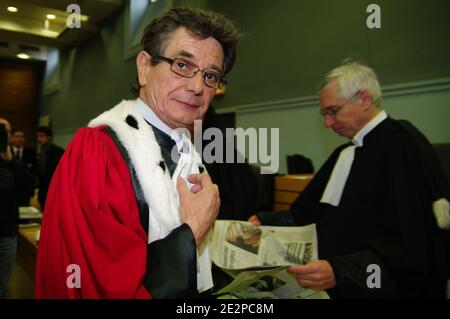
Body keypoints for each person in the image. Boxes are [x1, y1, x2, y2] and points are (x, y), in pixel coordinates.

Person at [36, 7, 239, 298]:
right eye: (182, 65)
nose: (197, 87)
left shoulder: (190, 156)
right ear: (144, 67)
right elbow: (102, 285)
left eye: (210, 76)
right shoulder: (98, 152)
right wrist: (191, 231)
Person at [250, 62, 449, 298]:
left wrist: (343, 271)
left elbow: (409, 243)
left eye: (332, 111)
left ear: (364, 99)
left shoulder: (401, 147)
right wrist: (263, 221)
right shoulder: (343, 153)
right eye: (324, 114)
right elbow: (310, 213)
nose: (327, 123)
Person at [0, 118, 34, 298]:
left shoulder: (13, 162)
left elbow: (29, 186)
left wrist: (11, 162)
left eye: (6, 131)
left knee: (2, 285)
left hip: (7, 233)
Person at [36, 126, 64, 210]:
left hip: (54, 189)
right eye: (38, 136)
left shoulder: (58, 151)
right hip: (43, 189)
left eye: (41, 136)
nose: (39, 139)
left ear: (48, 137)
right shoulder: (41, 151)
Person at [9, 128, 37, 206]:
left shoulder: (31, 153)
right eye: (17, 136)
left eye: (22, 137)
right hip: (10, 191)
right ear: (11, 138)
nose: (20, 139)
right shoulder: (7, 152)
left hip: (25, 193)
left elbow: (34, 171)